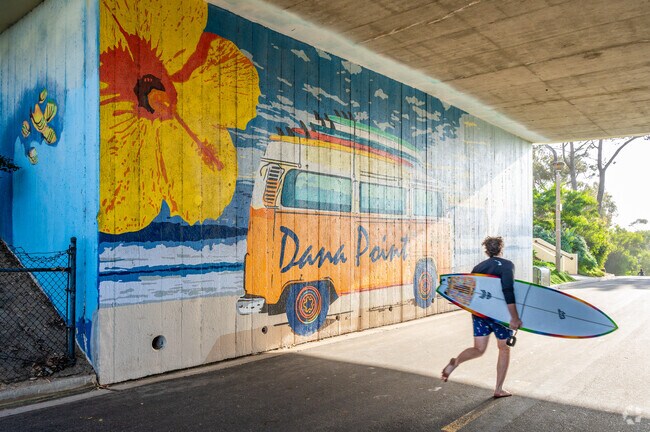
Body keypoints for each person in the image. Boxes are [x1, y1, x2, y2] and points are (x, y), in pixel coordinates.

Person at [441, 236, 522, 398]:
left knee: (478, 349)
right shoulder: (507, 265)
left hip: (480, 314)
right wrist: (514, 317)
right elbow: (508, 291)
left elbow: (471, 294)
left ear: (487, 251)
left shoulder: (478, 267)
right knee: (504, 349)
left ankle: (455, 363)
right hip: (499, 315)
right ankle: (498, 389)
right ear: (501, 248)